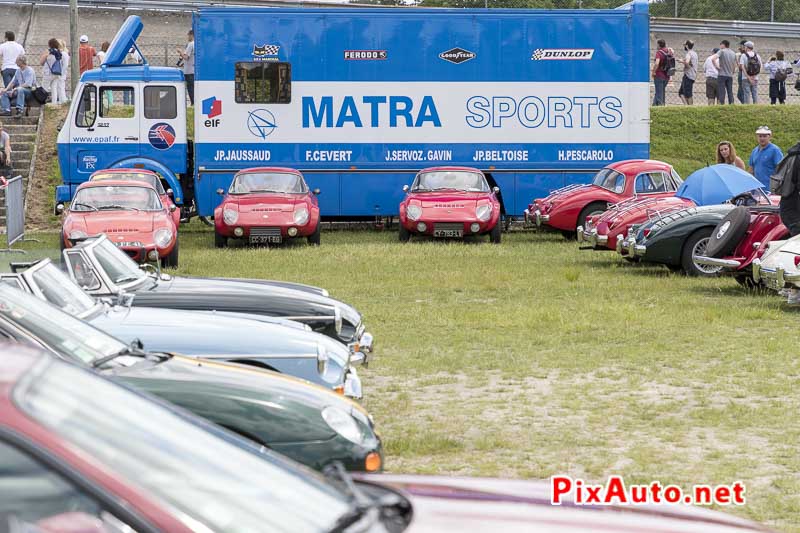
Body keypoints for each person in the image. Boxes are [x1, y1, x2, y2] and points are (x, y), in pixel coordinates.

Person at [39, 38, 64, 105]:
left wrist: (45, 56)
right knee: (54, 88)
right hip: (56, 73)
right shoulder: (59, 53)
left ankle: (42, 102)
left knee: (44, 88)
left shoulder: (48, 51)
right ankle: (54, 103)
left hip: (48, 73)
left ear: (49, 44)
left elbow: (41, 62)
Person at [713, 40, 737, 105]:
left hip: (722, 74)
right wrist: (733, 71)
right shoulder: (733, 53)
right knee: (730, 91)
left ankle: (722, 104)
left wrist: (717, 67)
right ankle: (731, 104)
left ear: (723, 44)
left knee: (722, 91)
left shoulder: (721, 51)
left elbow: (713, 58)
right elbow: (735, 65)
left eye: (720, 44)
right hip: (729, 75)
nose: (720, 46)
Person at [652, 39, 673, 106]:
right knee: (660, 92)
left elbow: (657, 63)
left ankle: (661, 108)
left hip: (659, 75)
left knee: (659, 94)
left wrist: (653, 71)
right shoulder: (669, 51)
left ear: (659, 45)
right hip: (667, 75)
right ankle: (654, 106)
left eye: (657, 44)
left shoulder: (659, 52)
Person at [176, 30, 194, 105]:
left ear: (191, 35)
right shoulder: (195, 44)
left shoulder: (190, 44)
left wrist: (180, 52)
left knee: (190, 88)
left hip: (189, 71)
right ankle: (194, 102)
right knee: (192, 87)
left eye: (188, 35)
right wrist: (183, 64)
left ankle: (193, 102)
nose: (187, 37)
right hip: (193, 69)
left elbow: (186, 57)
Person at [678, 40, 698, 105]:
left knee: (688, 94)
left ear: (687, 46)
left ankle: (690, 107)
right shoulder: (694, 53)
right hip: (693, 75)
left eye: (684, 45)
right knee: (681, 92)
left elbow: (687, 62)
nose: (684, 46)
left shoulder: (688, 53)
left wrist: (681, 61)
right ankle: (686, 106)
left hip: (688, 75)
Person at [56, 39, 69, 103]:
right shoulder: (62, 53)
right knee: (59, 87)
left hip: (61, 74)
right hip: (60, 73)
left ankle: (63, 101)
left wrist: (61, 73)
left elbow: (65, 65)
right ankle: (61, 100)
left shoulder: (64, 54)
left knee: (61, 87)